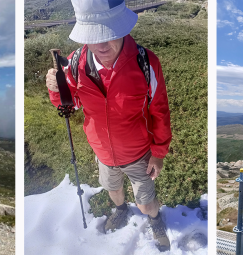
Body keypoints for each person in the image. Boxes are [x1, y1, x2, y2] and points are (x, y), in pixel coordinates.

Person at [44, 0, 172, 251]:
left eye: (109, 35)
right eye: (94, 36)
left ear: (122, 30)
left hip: (138, 154)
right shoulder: (75, 63)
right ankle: (121, 209)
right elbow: (72, 105)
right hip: (102, 152)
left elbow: (160, 110)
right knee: (112, 188)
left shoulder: (146, 63)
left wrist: (158, 154)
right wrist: (56, 88)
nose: (101, 45)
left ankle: (155, 219)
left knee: (146, 203)